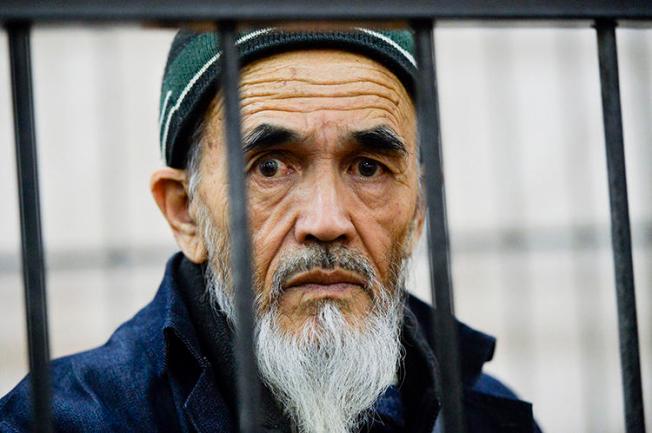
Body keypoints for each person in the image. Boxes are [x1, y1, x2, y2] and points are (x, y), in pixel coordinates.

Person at [0, 27, 541, 433]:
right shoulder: (72, 420)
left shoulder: (480, 411)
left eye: (369, 167)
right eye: (270, 167)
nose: (327, 222)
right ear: (186, 213)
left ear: (419, 208)